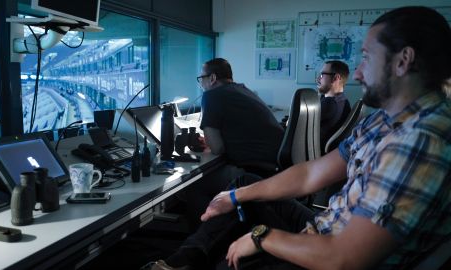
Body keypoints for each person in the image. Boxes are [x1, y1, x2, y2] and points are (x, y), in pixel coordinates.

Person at [144, 6, 451, 270]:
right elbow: (311, 173)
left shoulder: (421, 139)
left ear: (403, 61)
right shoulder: (385, 120)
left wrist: (261, 237)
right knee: (241, 187)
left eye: (367, 58)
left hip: (330, 254)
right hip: (326, 228)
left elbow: (344, 260)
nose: (357, 73)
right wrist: (236, 197)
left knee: (234, 253)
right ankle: (183, 261)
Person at [179, 58, 284, 227]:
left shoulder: (212, 95)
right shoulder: (243, 90)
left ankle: (205, 236)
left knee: (193, 183)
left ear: (212, 78)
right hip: (275, 167)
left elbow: (218, 149)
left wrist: (211, 142)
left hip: (255, 173)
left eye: (202, 78)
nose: (201, 84)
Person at [317, 60, 351, 153]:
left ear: (336, 78)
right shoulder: (343, 100)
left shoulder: (330, 104)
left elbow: (298, 126)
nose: (318, 79)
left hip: (310, 152)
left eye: (322, 75)